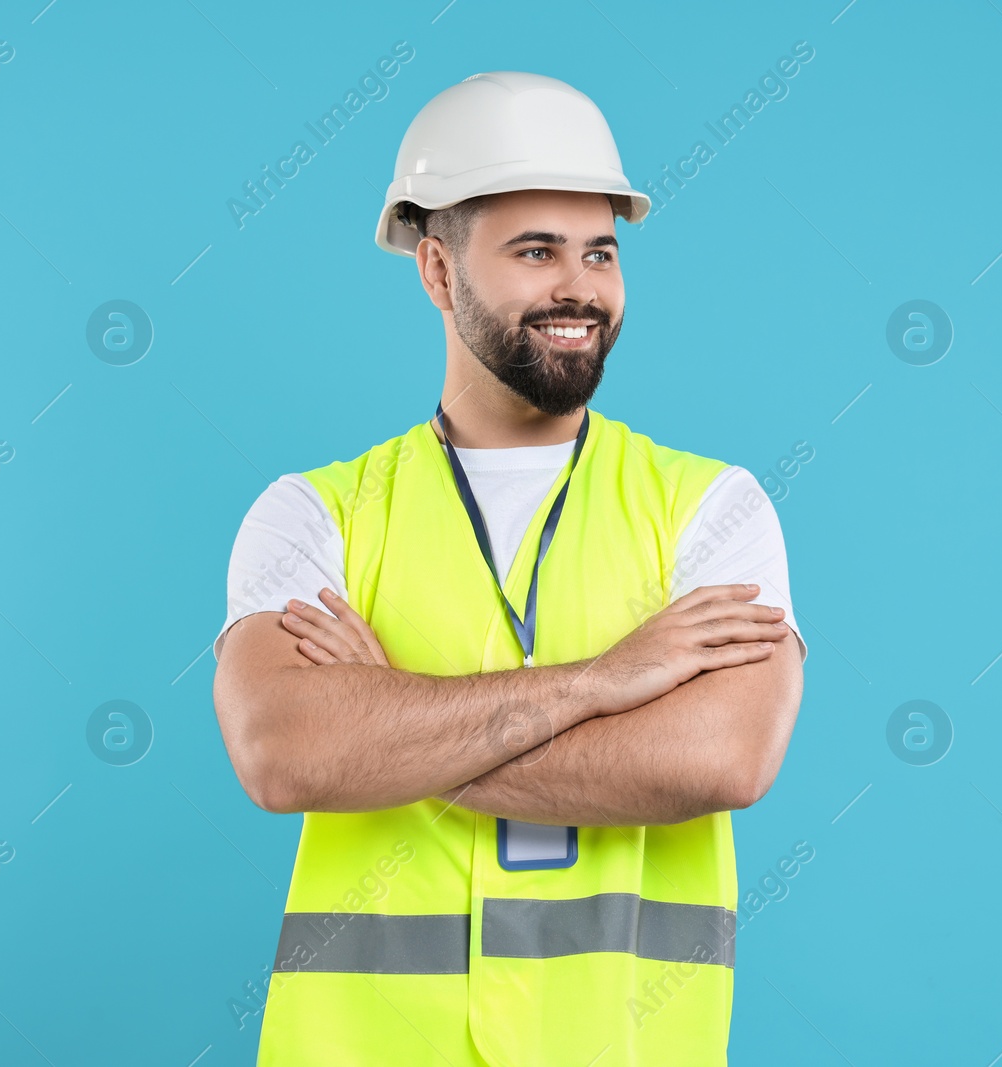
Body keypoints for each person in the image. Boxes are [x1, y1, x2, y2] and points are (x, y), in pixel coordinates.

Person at [211, 71, 807, 1066]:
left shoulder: (711, 509)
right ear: (438, 272)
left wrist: (389, 722)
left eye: (600, 252)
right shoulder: (311, 515)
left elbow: (717, 760)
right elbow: (283, 753)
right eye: (536, 251)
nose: (578, 285)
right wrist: (598, 685)